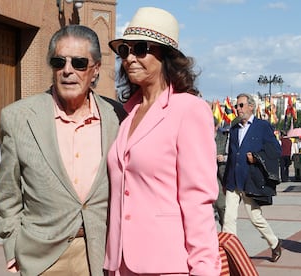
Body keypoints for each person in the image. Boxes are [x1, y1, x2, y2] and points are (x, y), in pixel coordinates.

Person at [0, 25, 126, 276]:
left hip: (101, 255)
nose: (67, 70)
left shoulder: (117, 117)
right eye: (59, 62)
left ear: (95, 69)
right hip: (43, 258)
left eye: (78, 63)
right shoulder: (18, 117)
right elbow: (8, 194)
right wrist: (12, 246)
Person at [104, 7, 220, 275]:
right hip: (119, 265)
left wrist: (204, 268)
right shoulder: (126, 114)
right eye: (124, 51)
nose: (130, 58)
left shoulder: (189, 110)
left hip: (167, 264)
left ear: (166, 56)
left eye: (141, 49)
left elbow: (197, 199)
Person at [223, 93, 283, 262]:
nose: (238, 109)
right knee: (229, 217)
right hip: (233, 181)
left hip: (251, 181)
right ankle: (230, 254)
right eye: (237, 106)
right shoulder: (234, 129)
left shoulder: (262, 126)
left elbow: (276, 151)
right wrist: (226, 180)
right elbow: (232, 156)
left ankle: (275, 243)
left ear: (251, 106)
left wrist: (256, 157)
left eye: (241, 105)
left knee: (255, 217)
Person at [215, 120, 228, 228]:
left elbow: (231, 154)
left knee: (221, 205)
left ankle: (226, 228)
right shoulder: (199, 137)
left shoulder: (224, 137)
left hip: (219, 175)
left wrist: (223, 157)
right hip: (203, 175)